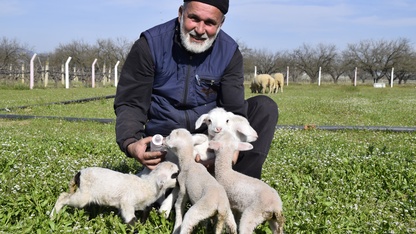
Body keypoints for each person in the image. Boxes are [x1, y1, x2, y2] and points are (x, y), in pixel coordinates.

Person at [114, 0, 278, 179]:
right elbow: (131, 102)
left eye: (209, 23)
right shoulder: (150, 45)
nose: (200, 30)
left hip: (207, 141)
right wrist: (131, 143)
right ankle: (169, 180)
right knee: (153, 193)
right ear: (181, 13)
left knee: (264, 107)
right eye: (193, 18)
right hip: (167, 142)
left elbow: (233, 109)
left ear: (221, 23)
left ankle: (237, 185)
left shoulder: (229, 53)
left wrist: (229, 148)